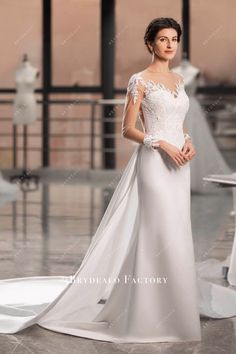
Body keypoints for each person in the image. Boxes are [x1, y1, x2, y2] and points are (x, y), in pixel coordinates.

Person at [1, 17, 236, 344]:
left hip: (179, 166)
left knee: (178, 231)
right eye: (163, 39)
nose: (169, 45)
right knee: (156, 230)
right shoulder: (138, 81)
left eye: (174, 39)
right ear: (150, 43)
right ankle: (144, 313)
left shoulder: (179, 80)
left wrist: (187, 140)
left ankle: (172, 307)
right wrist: (163, 144)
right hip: (154, 163)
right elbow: (128, 129)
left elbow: (178, 123)